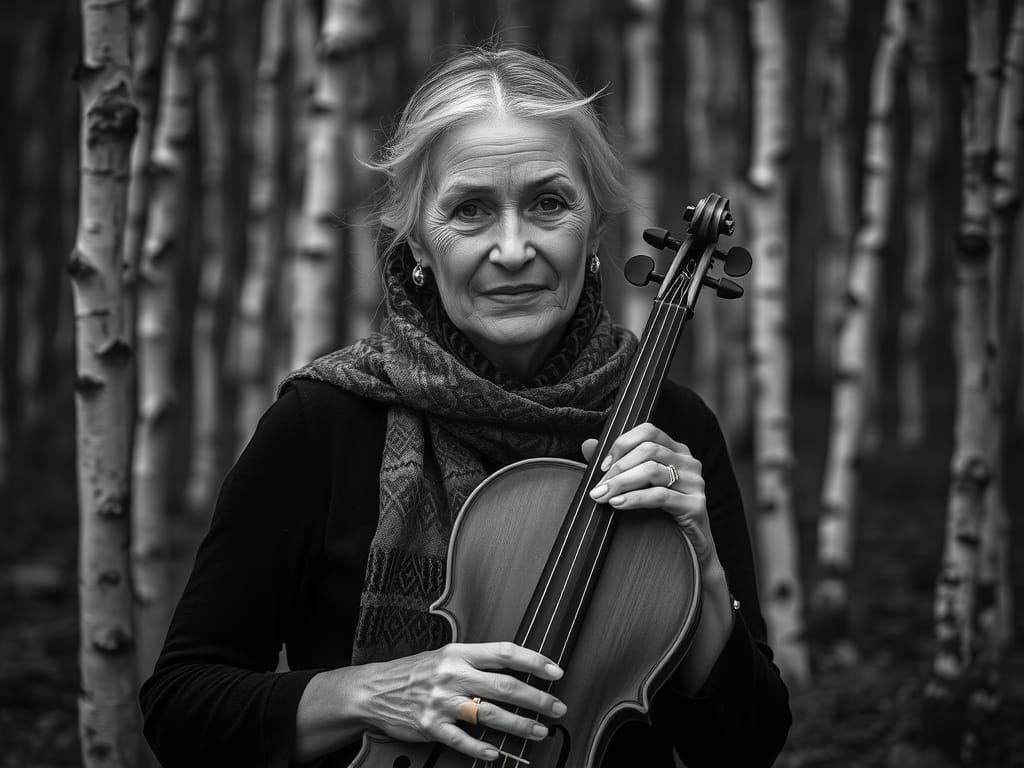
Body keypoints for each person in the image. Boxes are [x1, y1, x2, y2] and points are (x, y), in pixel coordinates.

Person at [140, 46, 791, 767]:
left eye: (549, 202)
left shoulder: (671, 428)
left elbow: (747, 748)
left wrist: (701, 565)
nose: (513, 249)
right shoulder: (322, 423)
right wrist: (375, 690)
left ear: (594, 231)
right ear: (418, 239)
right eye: (471, 210)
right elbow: (181, 709)